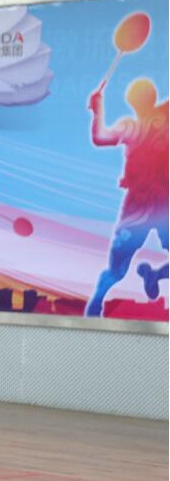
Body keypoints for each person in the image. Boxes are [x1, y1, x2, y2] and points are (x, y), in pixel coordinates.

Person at [86, 78, 168, 316]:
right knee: (117, 267)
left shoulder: (131, 126)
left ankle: (96, 305)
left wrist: (97, 109)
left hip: (147, 206)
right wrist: (98, 108)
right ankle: (99, 301)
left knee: (117, 269)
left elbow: (100, 137)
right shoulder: (162, 119)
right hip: (153, 204)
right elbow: (100, 139)